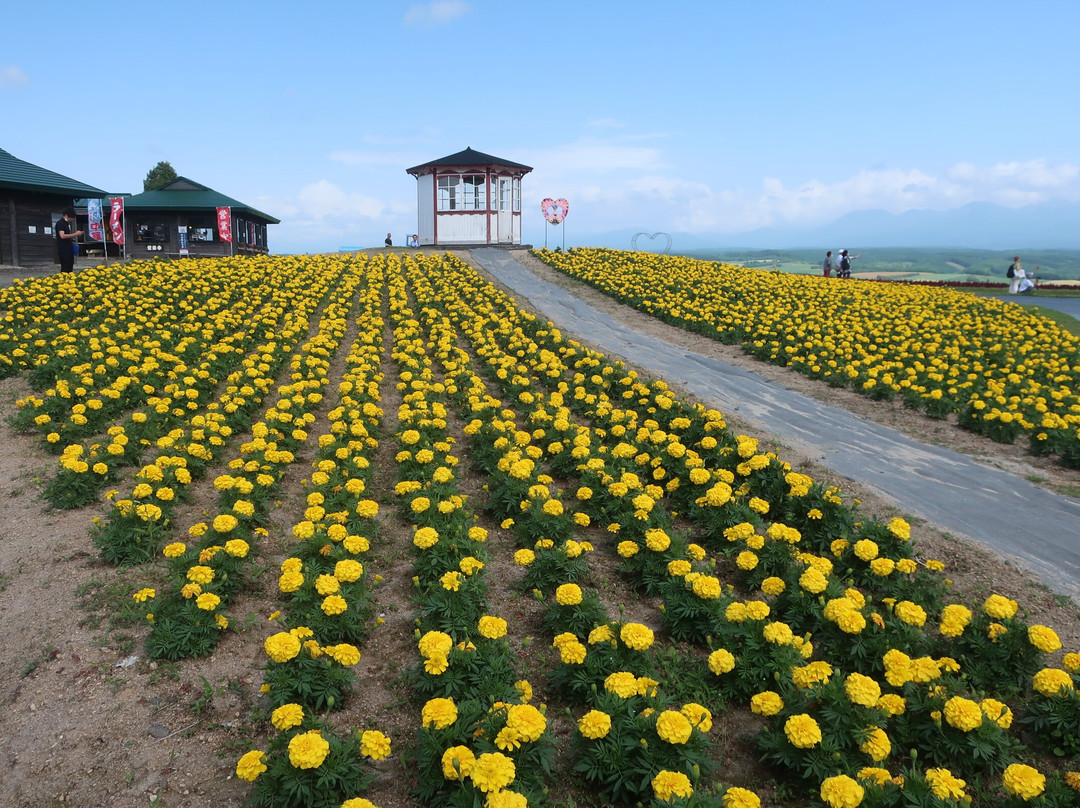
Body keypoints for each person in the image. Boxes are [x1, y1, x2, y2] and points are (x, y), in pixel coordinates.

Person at [55, 207, 84, 273]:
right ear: (67, 215)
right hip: (63, 249)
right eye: (72, 217)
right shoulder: (60, 223)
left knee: (69, 267)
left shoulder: (66, 224)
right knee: (65, 268)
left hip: (68, 248)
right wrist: (75, 234)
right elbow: (62, 236)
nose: (72, 219)